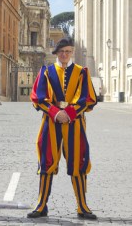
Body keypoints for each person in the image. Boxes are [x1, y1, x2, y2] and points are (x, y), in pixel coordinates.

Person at [28, 37, 98, 220]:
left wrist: (69, 113)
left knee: (78, 163)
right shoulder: (46, 71)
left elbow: (87, 98)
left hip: (74, 124)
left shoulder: (82, 72)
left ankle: (82, 206)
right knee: (46, 162)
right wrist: (55, 112)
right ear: (57, 53)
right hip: (51, 122)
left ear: (72, 52)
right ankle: (41, 204)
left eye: (68, 51)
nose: (65, 54)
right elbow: (38, 96)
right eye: (62, 52)